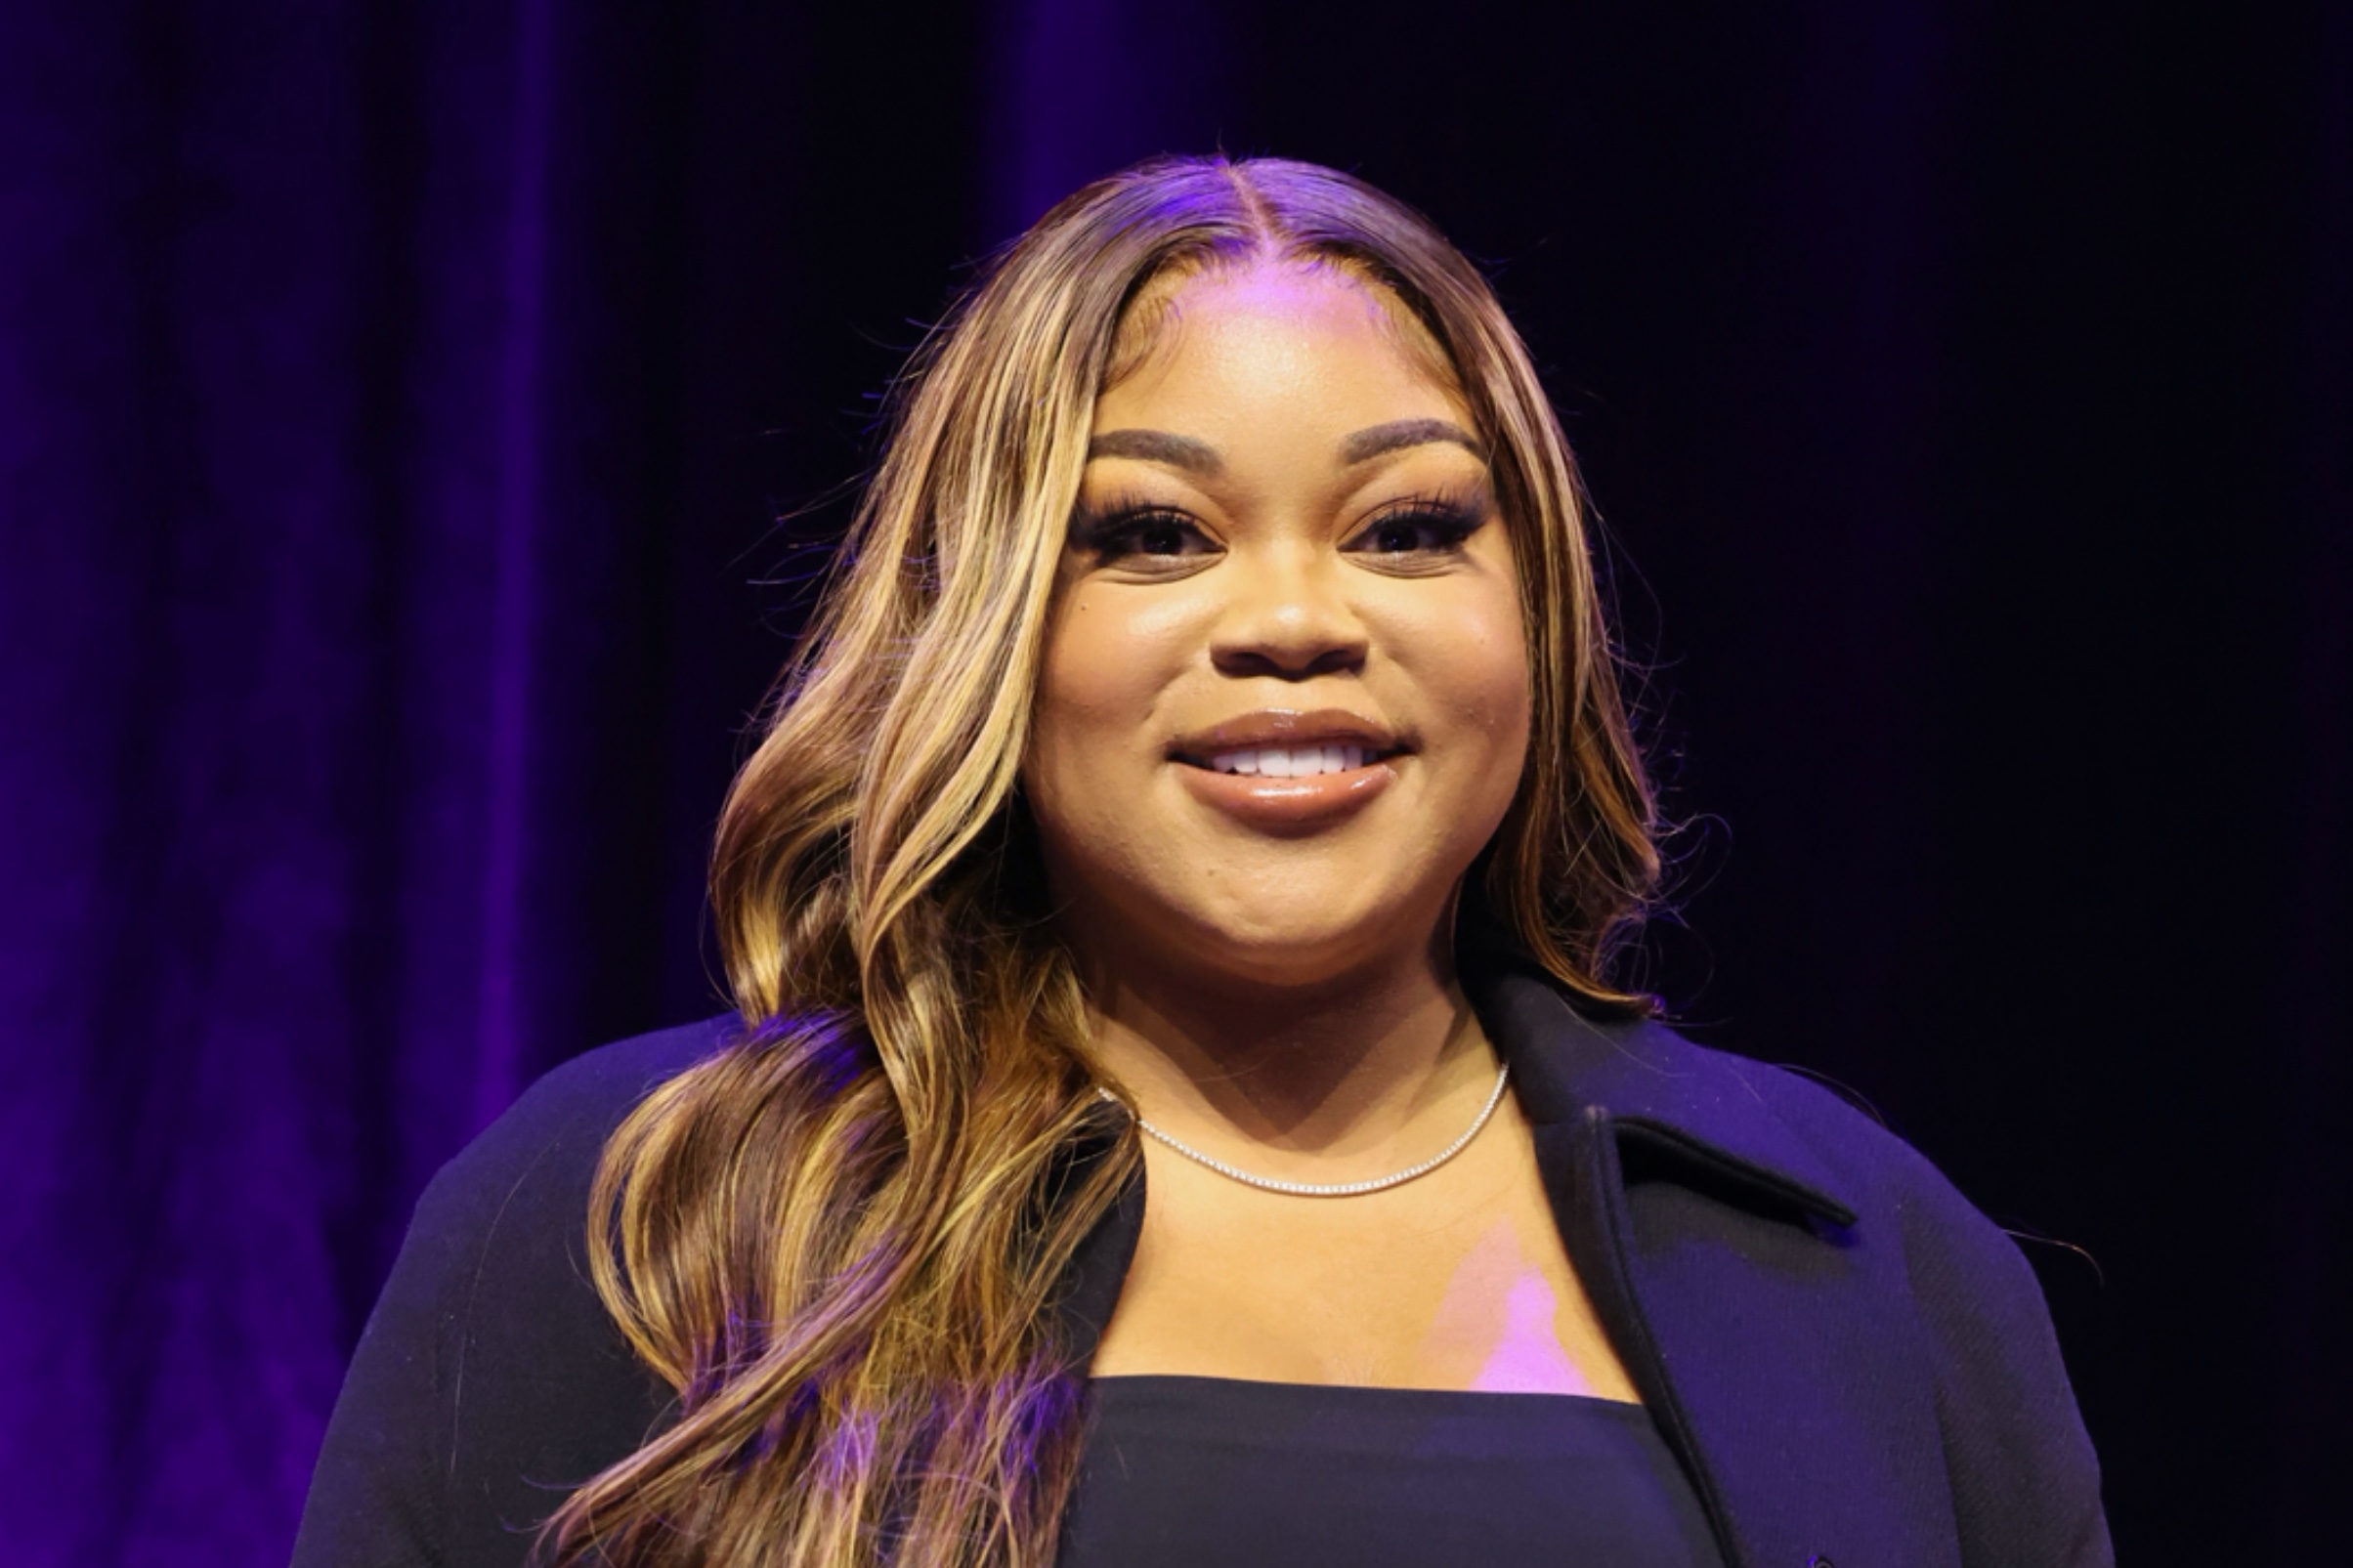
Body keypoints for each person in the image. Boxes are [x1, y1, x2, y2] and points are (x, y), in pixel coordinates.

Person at [291, 155, 2111, 1568]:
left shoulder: (1873, 1259)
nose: (1296, 619)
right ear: (992, 627)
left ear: (1538, 619)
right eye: (1157, 534)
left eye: (1408, 526)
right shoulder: (648, 1221)